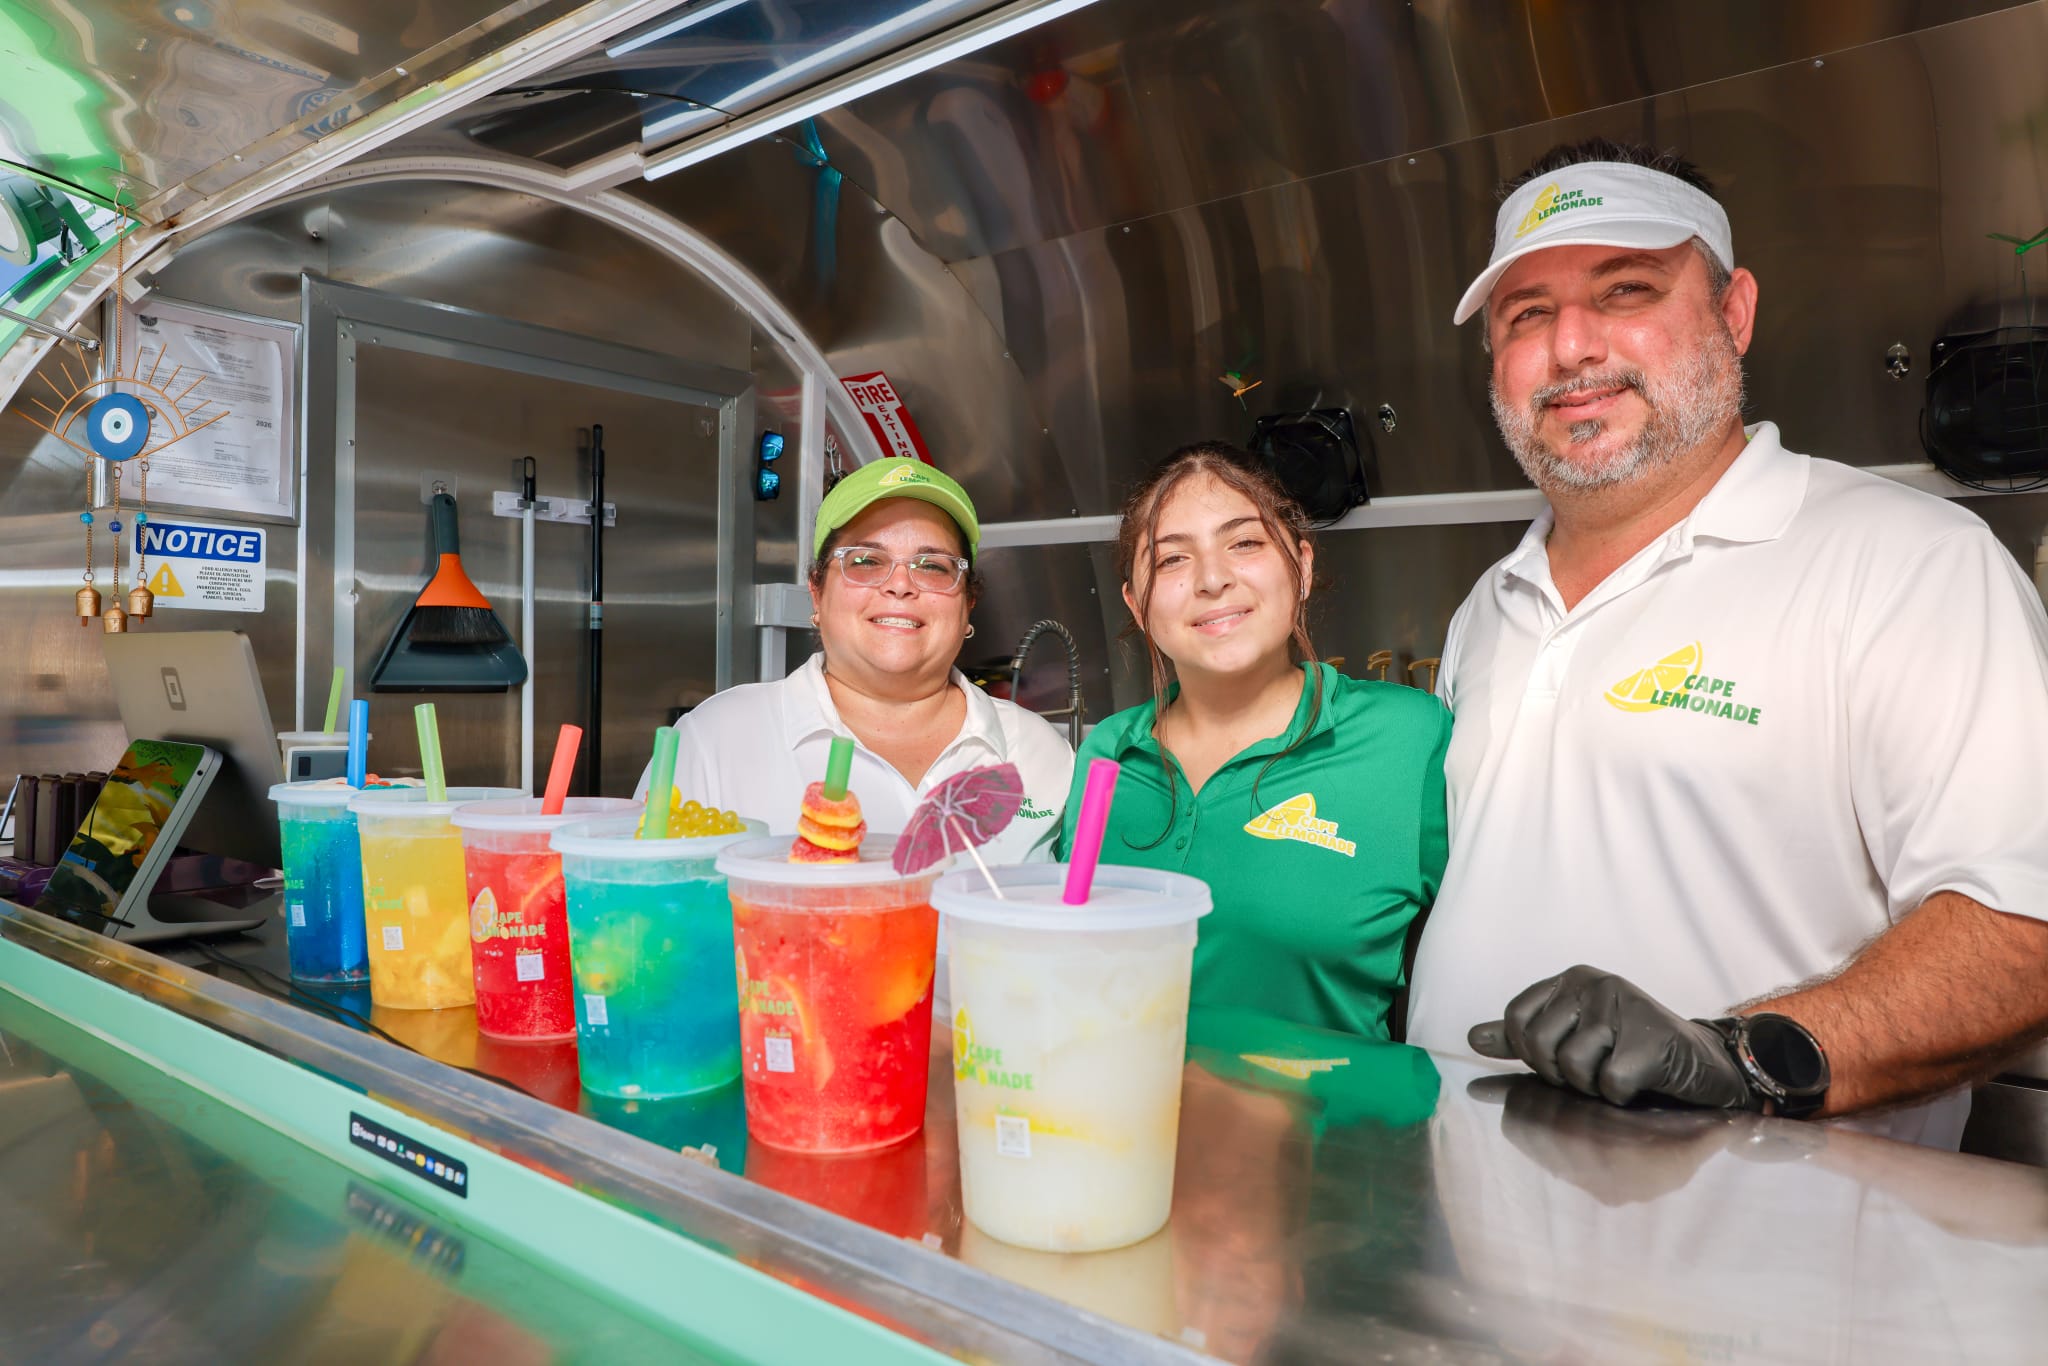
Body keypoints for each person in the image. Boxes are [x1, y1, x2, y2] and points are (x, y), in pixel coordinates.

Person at [1405, 138, 2048, 1146]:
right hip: (1484, 1256)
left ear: (1732, 312)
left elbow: (2022, 925)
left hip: (1770, 1275)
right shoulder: (1487, 607)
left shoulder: (1903, 563)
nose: (1570, 347)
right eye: (1525, 314)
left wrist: (1744, 1055)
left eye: (1624, 289)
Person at [1058, 444, 1451, 1040]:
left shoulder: (1410, 739)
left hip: (1337, 1130)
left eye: (1244, 543)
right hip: (1121, 1121)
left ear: (1303, 566)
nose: (1213, 579)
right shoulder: (1107, 754)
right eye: (1170, 560)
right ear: (1137, 607)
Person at [640, 457, 1073, 865]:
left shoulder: (1038, 751)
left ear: (967, 604)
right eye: (865, 561)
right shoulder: (716, 740)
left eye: (933, 566)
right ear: (817, 593)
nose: (900, 585)